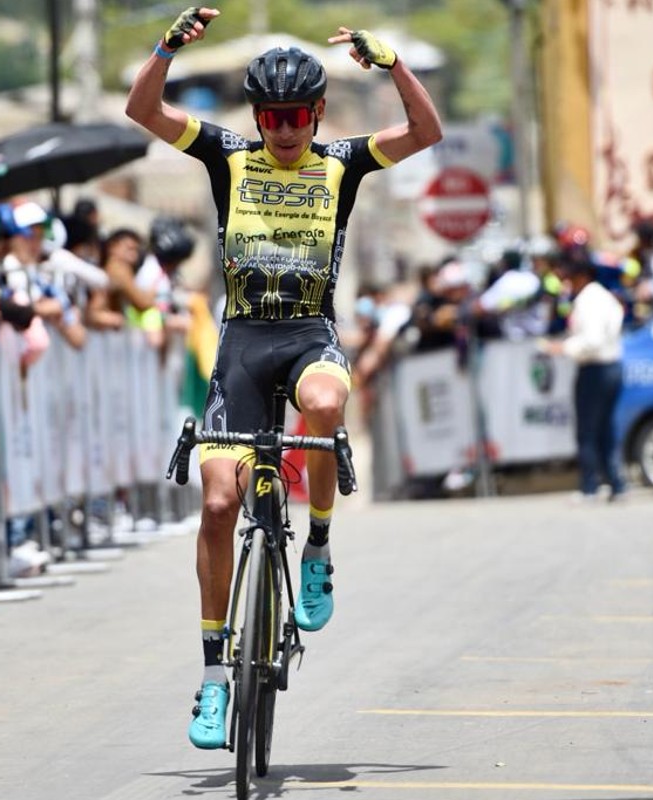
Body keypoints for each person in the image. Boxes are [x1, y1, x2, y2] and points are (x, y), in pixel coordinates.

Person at [126, 7, 442, 749]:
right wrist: (167, 48)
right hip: (241, 343)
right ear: (257, 114)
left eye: (297, 115)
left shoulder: (342, 162)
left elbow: (425, 134)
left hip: (307, 337)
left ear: (317, 112)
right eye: (272, 116)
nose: (284, 129)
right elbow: (143, 109)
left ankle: (320, 550)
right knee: (214, 504)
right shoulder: (228, 154)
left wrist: (393, 66)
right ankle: (211, 681)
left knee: (328, 401)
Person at [538, 250, 627, 503]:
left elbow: (593, 340)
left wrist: (563, 348)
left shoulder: (589, 300)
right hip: (612, 366)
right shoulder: (606, 297)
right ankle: (616, 484)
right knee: (606, 428)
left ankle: (591, 487)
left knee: (588, 430)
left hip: (595, 368)